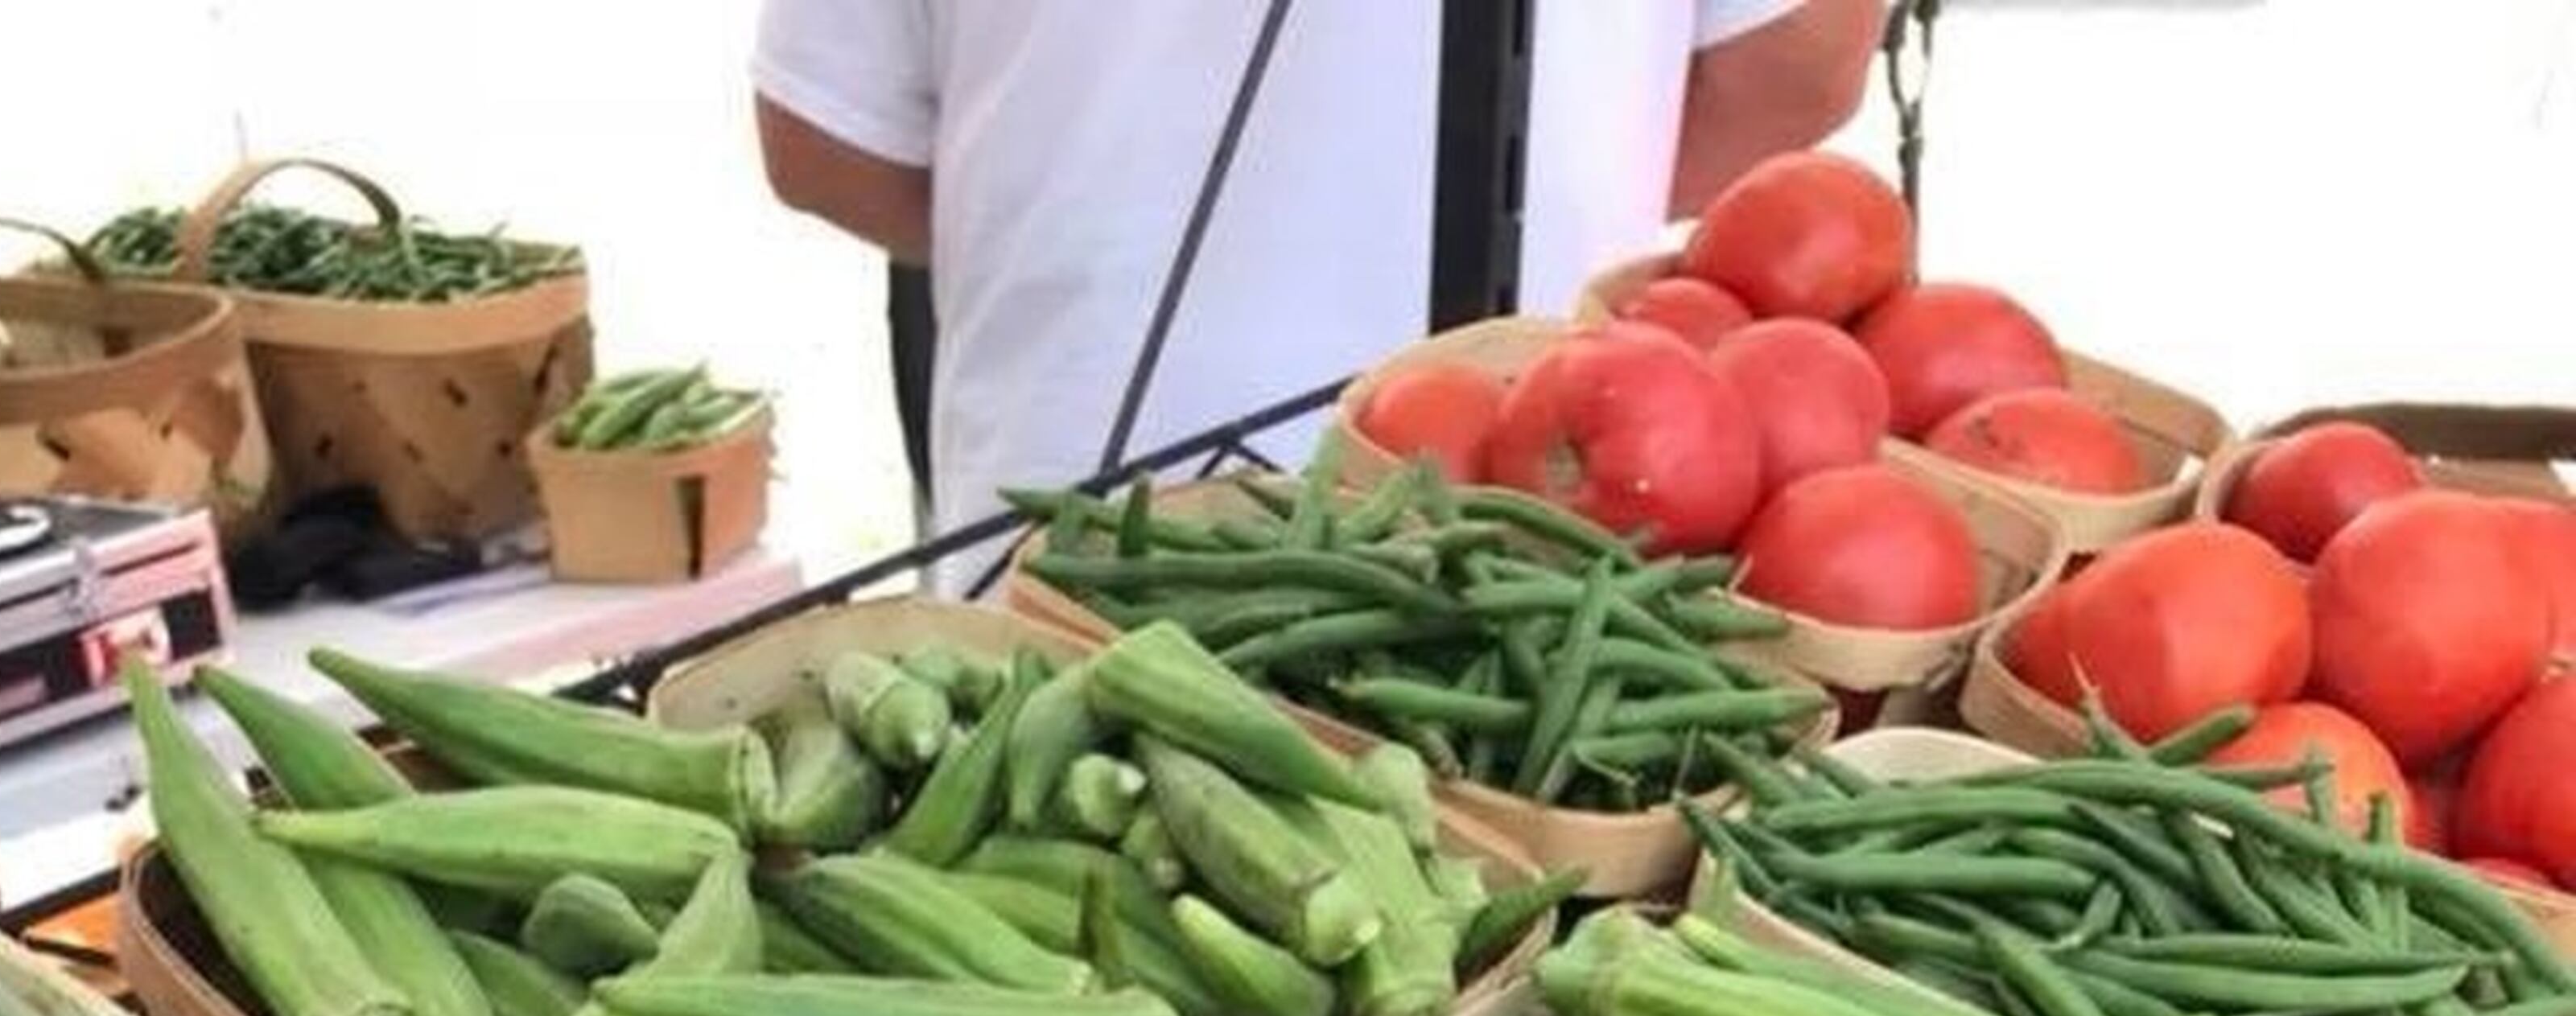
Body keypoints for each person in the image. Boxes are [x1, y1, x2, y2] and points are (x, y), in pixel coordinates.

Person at [755, 0, 1887, 543]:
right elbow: (1795, 61)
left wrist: (1085, 233)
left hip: (1068, 493)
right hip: (1552, 476)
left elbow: (833, 136)